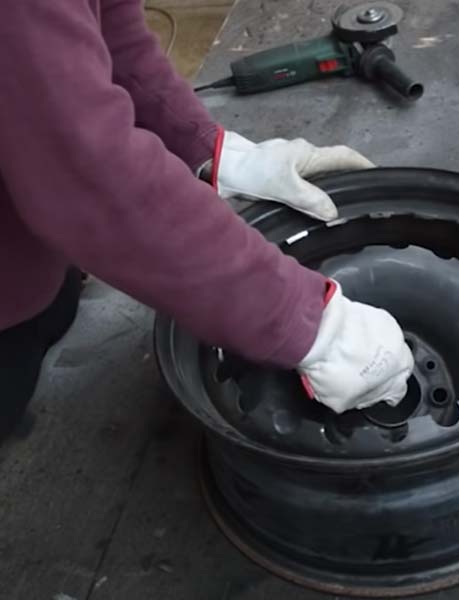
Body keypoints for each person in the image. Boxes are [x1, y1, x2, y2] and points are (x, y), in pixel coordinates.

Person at [0, 1, 414, 441]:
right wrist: (303, 320)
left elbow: (103, 26)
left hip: (27, 252)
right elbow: (84, 176)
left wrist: (202, 145)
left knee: (39, 326)